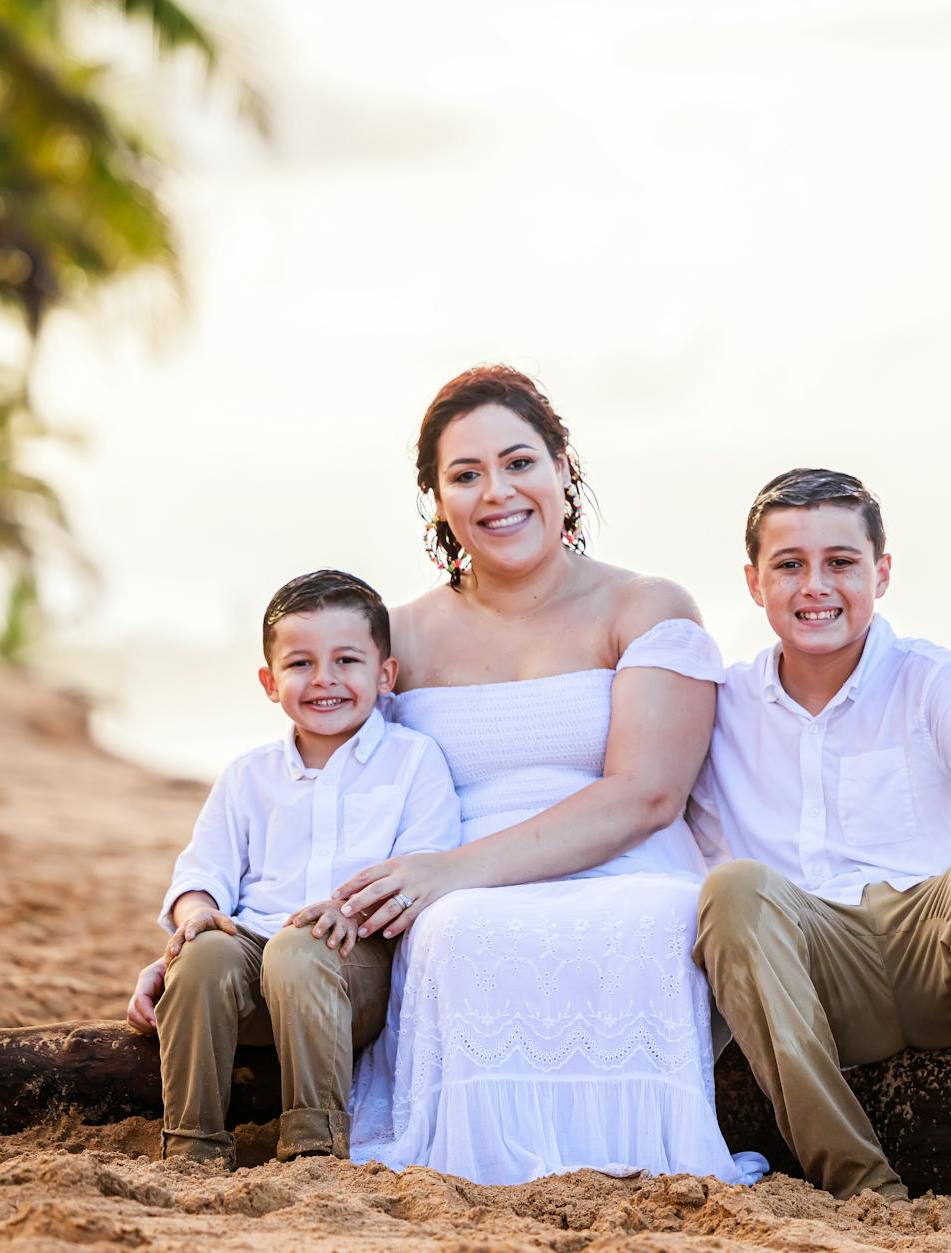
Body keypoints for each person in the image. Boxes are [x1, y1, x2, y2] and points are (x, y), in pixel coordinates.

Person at [327, 365, 763, 1185]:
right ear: (438, 500)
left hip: (625, 867)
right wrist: (223, 917)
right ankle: (482, 1164)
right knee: (457, 932)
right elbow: (340, 789)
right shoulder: (401, 638)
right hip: (454, 890)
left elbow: (648, 794)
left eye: (519, 462)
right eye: (465, 474)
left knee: (647, 919)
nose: (498, 492)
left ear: (564, 467)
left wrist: (451, 872)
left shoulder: (643, 605)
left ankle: (643, 1154)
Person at [687, 468, 951, 1222]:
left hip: (940, 964)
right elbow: (646, 812)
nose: (816, 587)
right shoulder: (724, 706)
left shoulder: (930, 677)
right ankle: (863, 1189)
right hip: (816, 981)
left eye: (841, 561)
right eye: (789, 564)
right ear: (753, 581)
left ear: (882, 571)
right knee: (731, 890)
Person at [126, 569, 461, 1168]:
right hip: (252, 962)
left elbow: (423, 870)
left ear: (385, 676)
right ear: (269, 681)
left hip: (351, 965)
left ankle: (313, 1144)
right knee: (204, 955)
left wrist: (348, 909)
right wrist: (197, 916)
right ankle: (192, 1145)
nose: (324, 679)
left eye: (347, 661)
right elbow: (201, 873)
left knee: (298, 949)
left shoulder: (413, 762)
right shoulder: (248, 776)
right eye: (300, 663)